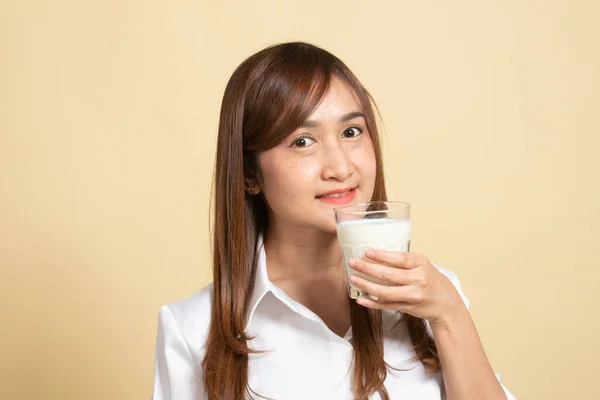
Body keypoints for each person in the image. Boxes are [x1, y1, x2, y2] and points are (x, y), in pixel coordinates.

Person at [152, 42, 515, 400]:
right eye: (302, 141)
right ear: (250, 173)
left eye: (351, 132)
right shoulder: (193, 328)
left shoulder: (435, 297)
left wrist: (450, 314)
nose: (341, 168)